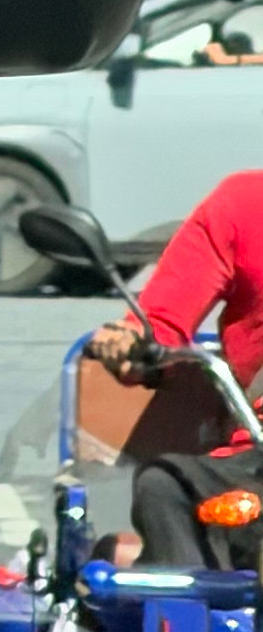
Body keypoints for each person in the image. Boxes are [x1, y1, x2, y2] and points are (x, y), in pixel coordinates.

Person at [87, 166, 263, 565]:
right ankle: (185, 622)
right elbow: (161, 323)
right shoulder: (244, 203)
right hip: (253, 466)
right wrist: (131, 343)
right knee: (165, 484)